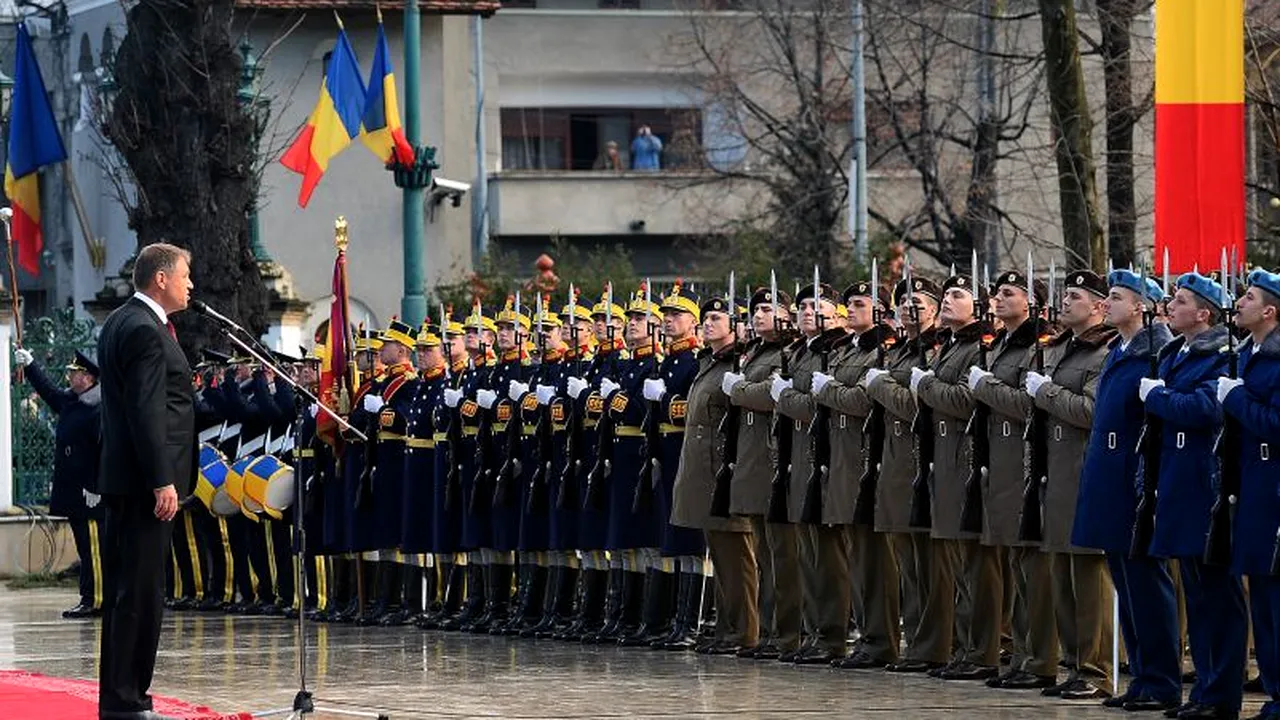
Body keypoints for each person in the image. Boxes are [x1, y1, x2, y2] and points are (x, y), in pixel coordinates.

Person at [97, 241, 195, 720]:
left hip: (124, 479)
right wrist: (162, 480)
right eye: (184, 275)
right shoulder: (146, 330)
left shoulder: (121, 321)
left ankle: (120, 695)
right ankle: (128, 699)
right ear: (161, 278)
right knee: (140, 593)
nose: (190, 284)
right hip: (144, 485)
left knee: (125, 592)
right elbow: (145, 409)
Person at [16, 347, 104, 619]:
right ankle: (88, 596)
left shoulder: (97, 409)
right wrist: (30, 366)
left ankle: (98, 598)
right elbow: (49, 392)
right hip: (74, 489)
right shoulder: (73, 402)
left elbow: (102, 450)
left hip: (91, 491)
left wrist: (95, 485)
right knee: (83, 545)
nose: (70, 377)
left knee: (94, 549)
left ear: (88, 378)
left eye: (75, 373)